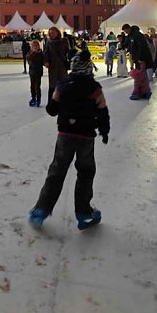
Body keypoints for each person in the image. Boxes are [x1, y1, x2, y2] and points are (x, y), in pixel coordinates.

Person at [28, 51, 109, 230]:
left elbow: (51, 109)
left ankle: (40, 210)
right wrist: (104, 131)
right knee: (86, 173)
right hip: (86, 136)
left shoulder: (63, 85)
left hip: (65, 135)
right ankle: (84, 213)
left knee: (56, 171)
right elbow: (102, 111)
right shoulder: (95, 88)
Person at [43, 26, 69, 97]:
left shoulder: (64, 41)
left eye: (53, 33)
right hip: (53, 66)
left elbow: (68, 52)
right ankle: (51, 102)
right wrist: (46, 61)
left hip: (62, 66)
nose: (52, 34)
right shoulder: (48, 41)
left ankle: (63, 101)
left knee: (63, 84)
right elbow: (46, 52)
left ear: (58, 33)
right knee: (52, 86)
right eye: (50, 33)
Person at [27, 40, 45, 107]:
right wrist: (33, 53)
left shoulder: (41, 54)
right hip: (31, 72)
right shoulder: (30, 52)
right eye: (33, 46)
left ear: (38, 46)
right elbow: (28, 58)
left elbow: (42, 61)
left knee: (37, 87)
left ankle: (38, 99)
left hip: (38, 72)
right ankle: (33, 98)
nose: (35, 47)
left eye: (36, 45)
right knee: (32, 86)